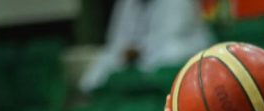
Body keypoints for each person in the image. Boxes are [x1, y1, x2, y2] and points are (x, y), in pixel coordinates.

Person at [79, 0, 213, 93]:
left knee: (173, 52)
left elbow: (170, 36)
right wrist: (127, 51)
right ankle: (90, 100)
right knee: (104, 60)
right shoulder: (127, 3)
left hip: (181, 48)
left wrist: (139, 51)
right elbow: (116, 41)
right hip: (140, 55)